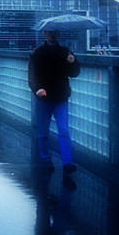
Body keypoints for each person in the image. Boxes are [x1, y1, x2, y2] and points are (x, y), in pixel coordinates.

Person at [28, 29, 80, 174]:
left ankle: (67, 163)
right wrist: (37, 89)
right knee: (43, 132)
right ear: (45, 34)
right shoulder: (36, 53)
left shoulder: (66, 52)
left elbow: (74, 73)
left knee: (63, 131)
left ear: (57, 34)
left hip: (61, 97)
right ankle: (46, 160)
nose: (52, 35)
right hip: (44, 97)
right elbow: (32, 76)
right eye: (49, 33)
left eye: (54, 32)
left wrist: (73, 62)